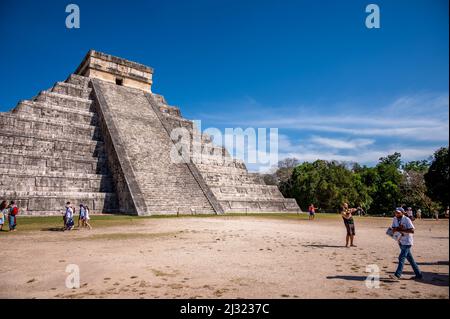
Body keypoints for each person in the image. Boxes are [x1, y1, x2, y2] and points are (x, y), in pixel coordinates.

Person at [389, 207, 422, 281]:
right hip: (400, 241)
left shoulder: (407, 219)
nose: (396, 214)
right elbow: (393, 228)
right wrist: (396, 229)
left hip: (407, 241)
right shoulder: (394, 219)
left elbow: (412, 230)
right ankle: (418, 274)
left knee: (401, 257)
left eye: (398, 212)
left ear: (402, 213)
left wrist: (401, 229)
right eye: (396, 212)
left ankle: (397, 275)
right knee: (411, 259)